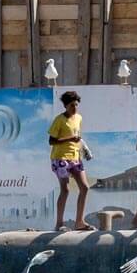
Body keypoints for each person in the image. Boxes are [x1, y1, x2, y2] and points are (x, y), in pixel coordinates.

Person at [48, 90, 93, 231]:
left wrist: (84, 149)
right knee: (65, 189)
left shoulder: (78, 118)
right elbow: (52, 141)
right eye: (72, 105)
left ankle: (79, 221)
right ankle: (59, 224)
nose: (74, 108)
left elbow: (78, 137)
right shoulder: (59, 120)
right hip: (60, 158)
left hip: (75, 157)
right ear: (66, 106)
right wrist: (69, 139)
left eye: (76, 105)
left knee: (85, 187)